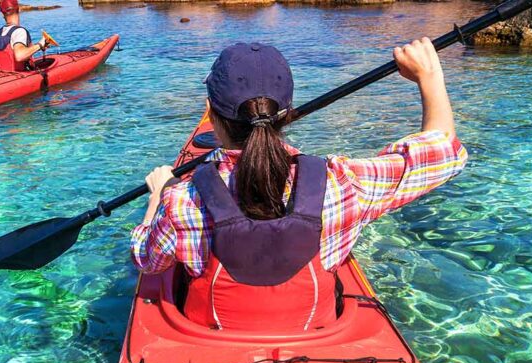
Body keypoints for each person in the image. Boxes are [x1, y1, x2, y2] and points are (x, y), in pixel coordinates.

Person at [131, 39, 467, 331]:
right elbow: (443, 153)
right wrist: (429, 77)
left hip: (210, 336)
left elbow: (147, 260)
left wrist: (156, 200)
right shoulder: (342, 184)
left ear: (212, 115)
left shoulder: (180, 202)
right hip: (313, 335)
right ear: (288, 113)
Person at [0, 0, 55, 72]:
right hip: (20, 77)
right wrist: (40, 44)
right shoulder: (19, 31)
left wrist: (37, 48)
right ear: (19, 9)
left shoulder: (1, 31)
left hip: (4, 76)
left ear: (2, 14)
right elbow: (20, 56)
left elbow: (13, 49)